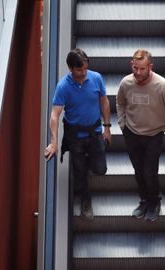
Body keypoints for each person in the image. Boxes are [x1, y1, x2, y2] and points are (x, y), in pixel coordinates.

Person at [116, 49, 165, 221]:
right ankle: (144, 200)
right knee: (138, 171)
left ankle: (154, 202)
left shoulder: (162, 85)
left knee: (149, 173)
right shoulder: (126, 83)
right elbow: (120, 102)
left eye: (142, 69)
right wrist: (122, 124)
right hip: (132, 134)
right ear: (132, 65)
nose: (138, 73)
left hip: (154, 135)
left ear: (150, 67)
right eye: (135, 68)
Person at [44, 48, 111, 220]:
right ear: (71, 68)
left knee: (100, 169)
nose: (83, 73)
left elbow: (104, 102)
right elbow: (55, 115)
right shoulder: (63, 86)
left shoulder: (96, 78)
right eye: (79, 70)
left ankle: (88, 161)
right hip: (75, 136)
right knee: (80, 172)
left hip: (95, 132)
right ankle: (85, 201)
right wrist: (53, 141)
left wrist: (107, 127)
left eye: (85, 69)